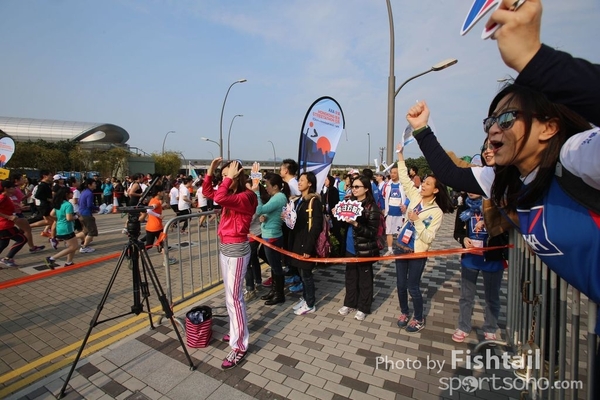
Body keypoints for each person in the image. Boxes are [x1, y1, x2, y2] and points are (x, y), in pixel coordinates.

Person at [202, 158, 257, 370]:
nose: (224, 179)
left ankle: (240, 345)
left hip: (237, 249)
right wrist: (211, 171)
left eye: (228, 175)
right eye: (223, 176)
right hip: (225, 247)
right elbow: (209, 193)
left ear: (237, 176)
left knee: (235, 298)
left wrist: (228, 179)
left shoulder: (247, 196)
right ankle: (236, 330)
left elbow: (219, 196)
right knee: (230, 296)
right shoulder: (232, 195)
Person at [394, 142, 454, 333]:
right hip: (400, 247)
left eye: (428, 184)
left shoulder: (436, 212)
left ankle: (418, 318)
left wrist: (417, 220)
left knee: (413, 287)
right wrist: (400, 155)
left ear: (435, 190)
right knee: (400, 285)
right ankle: (404, 312)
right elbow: (405, 179)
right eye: (424, 182)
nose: (423, 186)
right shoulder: (416, 197)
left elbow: (428, 238)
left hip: (417, 253)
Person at [452, 189, 505, 343]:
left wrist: (488, 224)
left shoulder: (495, 206)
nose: (471, 191)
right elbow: (457, 232)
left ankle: (490, 328)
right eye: (468, 187)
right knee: (466, 296)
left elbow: (504, 228)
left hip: (492, 259)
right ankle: (463, 326)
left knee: (492, 297)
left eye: (475, 187)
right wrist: (463, 239)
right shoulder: (463, 208)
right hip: (470, 258)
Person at [338, 175, 381, 321]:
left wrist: (356, 224)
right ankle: (349, 303)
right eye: (352, 186)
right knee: (350, 277)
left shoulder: (372, 208)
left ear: (366, 189)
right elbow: (343, 225)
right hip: (350, 247)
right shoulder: (349, 202)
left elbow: (372, 233)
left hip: (365, 249)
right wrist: (338, 215)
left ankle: (364, 307)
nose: (354, 189)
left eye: (357, 187)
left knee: (365, 280)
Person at [287, 171, 323, 316]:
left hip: (306, 243)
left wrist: (308, 247)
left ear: (310, 183)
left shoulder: (314, 201)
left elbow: (316, 226)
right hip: (297, 241)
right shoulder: (298, 200)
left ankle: (310, 303)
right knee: (302, 273)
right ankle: (305, 298)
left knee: (306, 275)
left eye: (302, 180)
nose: (299, 182)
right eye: (299, 180)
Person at [252, 169, 290, 306]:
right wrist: (265, 217)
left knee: (276, 266)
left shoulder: (279, 197)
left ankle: (279, 294)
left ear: (275, 186)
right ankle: (275, 290)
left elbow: (259, 209)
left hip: (272, 235)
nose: (266, 188)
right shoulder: (276, 197)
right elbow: (268, 212)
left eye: (267, 185)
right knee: (272, 263)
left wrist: (256, 192)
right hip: (269, 233)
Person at [44, 187, 84, 269]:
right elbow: (69, 218)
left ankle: (69, 262)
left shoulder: (59, 203)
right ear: (66, 194)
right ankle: (51, 258)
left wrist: (58, 219)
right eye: (71, 193)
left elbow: (51, 214)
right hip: (67, 228)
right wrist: (76, 216)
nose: (72, 194)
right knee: (74, 247)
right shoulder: (68, 205)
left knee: (72, 246)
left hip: (60, 227)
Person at [9, 173, 45, 253]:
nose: (24, 180)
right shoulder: (13, 189)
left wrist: (24, 200)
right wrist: (19, 205)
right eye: (22, 179)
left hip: (18, 211)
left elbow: (19, 199)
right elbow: (9, 199)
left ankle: (29, 245)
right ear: (16, 180)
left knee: (24, 229)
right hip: (14, 213)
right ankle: (31, 247)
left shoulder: (16, 188)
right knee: (27, 229)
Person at [145, 185, 176, 266]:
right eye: (162, 191)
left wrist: (162, 207)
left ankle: (135, 255)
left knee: (149, 245)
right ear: (158, 192)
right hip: (157, 227)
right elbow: (149, 210)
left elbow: (152, 209)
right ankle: (166, 260)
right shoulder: (155, 201)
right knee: (163, 244)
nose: (163, 193)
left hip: (150, 226)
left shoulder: (153, 200)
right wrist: (159, 216)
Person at [381, 164, 408, 257]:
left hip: (400, 213)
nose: (392, 174)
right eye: (391, 173)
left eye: (395, 173)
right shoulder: (387, 185)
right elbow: (382, 197)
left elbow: (409, 197)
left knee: (400, 232)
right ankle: (390, 250)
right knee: (389, 232)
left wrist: (405, 205)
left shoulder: (403, 185)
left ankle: (401, 249)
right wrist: (383, 209)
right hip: (390, 212)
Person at [0, 180, 27, 268]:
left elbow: (6, 208)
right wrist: (8, 217)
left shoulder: (6, 197)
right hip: (4, 225)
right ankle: (7, 258)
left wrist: (19, 208)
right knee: (22, 239)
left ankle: (7, 258)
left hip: (6, 224)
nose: (14, 189)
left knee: (3, 243)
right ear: (6, 188)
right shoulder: (2, 197)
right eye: (12, 188)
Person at [78, 178, 98, 253]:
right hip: (87, 214)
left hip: (81, 213)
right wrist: (97, 208)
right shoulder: (89, 193)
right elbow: (89, 205)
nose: (95, 185)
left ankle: (69, 239)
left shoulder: (83, 192)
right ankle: (84, 247)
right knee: (92, 231)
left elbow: (79, 202)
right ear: (89, 185)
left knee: (85, 231)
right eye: (94, 183)